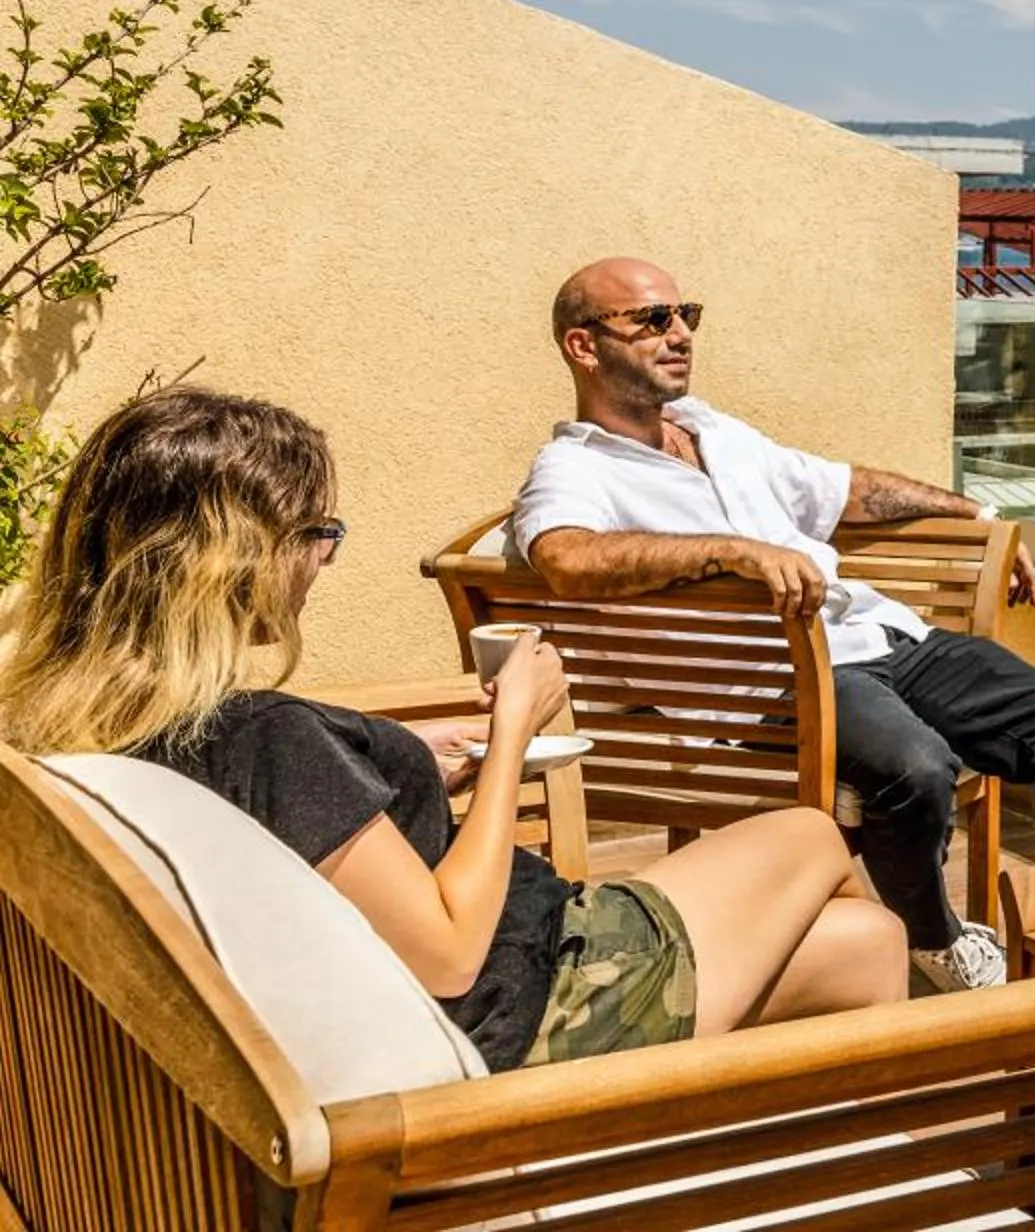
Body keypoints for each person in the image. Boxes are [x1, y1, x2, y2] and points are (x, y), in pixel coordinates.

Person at [0, 388, 907, 1073]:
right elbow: (442, 952)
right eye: (318, 533)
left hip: (462, 994)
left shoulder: (83, 724)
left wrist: (412, 775)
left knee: (864, 944)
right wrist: (513, 736)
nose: (324, 560)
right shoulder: (255, 736)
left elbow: (308, 835)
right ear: (235, 562)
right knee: (810, 832)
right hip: (529, 1000)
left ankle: (806, 1167)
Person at [509, 258, 1035, 994]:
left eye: (686, 316)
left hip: (879, 635)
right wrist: (728, 550)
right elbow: (566, 556)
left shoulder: (715, 431)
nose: (679, 335)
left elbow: (848, 490)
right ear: (584, 347)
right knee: (916, 768)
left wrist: (979, 515)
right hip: (788, 677)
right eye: (652, 321)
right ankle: (934, 942)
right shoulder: (573, 467)